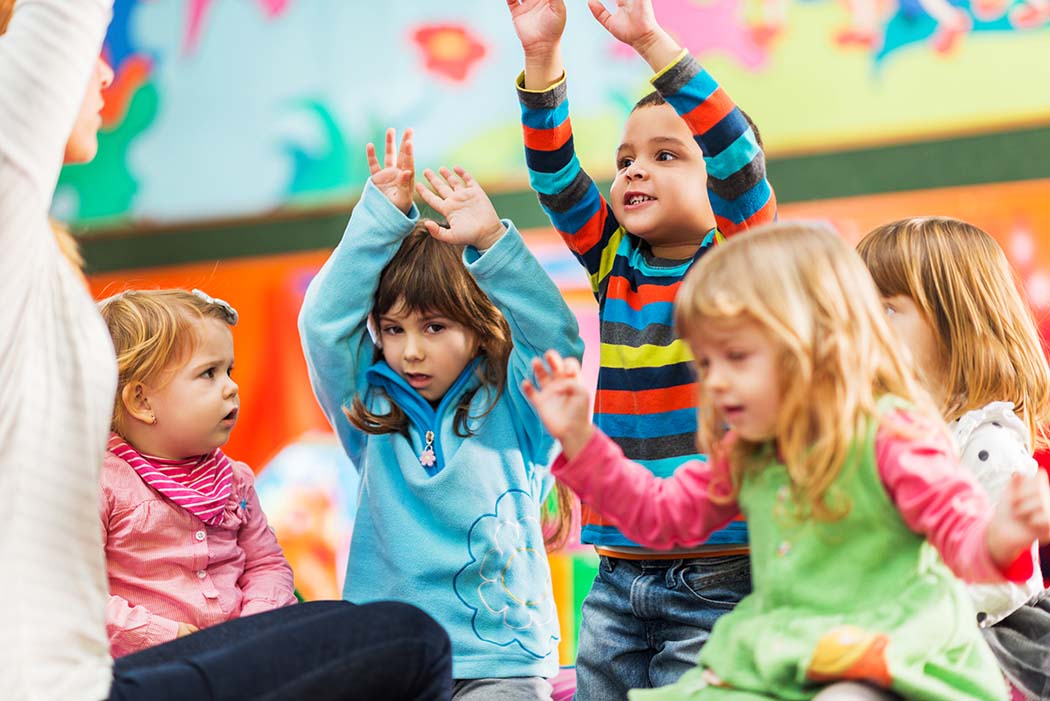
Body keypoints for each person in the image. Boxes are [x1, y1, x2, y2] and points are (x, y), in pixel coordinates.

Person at [0, 1, 452, 698]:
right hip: (61, 684)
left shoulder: (34, 261)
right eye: (82, 49)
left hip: (88, 672)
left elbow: (266, 568)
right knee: (410, 641)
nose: (103, 68)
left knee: (343, 622)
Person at [522, 221, 1050, 701]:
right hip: (788, 641)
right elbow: (658, 515)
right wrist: (579, 438)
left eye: (738, 357)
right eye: (705, 362)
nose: (716, 381)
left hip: (891, 640)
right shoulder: (751, 451)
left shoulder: (891, 434)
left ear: (818, 345)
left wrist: (1001, 536)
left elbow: (957, 532)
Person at [505, 0, 776, 695]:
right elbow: (556, 177)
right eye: (625, 159)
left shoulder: (741, 260)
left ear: (715, 180)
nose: (632, 172)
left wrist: (651, 41)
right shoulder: (613, 261)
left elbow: (738, 156)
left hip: (723, 570)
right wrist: (542, 59)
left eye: (665, 156)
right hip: (619, 566)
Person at [298, 128, 584, 700]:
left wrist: (490, 241)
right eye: (394, 329)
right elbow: (322, 326)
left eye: (434, 327)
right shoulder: (368, 409)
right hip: (388, 656)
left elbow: (556, 337)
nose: (409, 351)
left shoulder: (517, 407)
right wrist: (381, 218)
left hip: (501, 662)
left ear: (479, 327)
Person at [858, 216, 1050, 700]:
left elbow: (1006, 581)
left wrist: (909, 621)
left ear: (953, 325)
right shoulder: (887, 433)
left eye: (884, 310)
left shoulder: (983, 442)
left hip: (978, 638)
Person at [98, 288, 298, 656]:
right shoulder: (102, 485)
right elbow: (73, 594)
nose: (232, 387)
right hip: (152, 668)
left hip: (240, 655)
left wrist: (257, 624)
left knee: (338, 616)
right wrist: (162, 635)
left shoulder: (233, 479)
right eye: (209, 373)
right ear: (141, 401)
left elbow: (267, 563)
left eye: (229, 370)